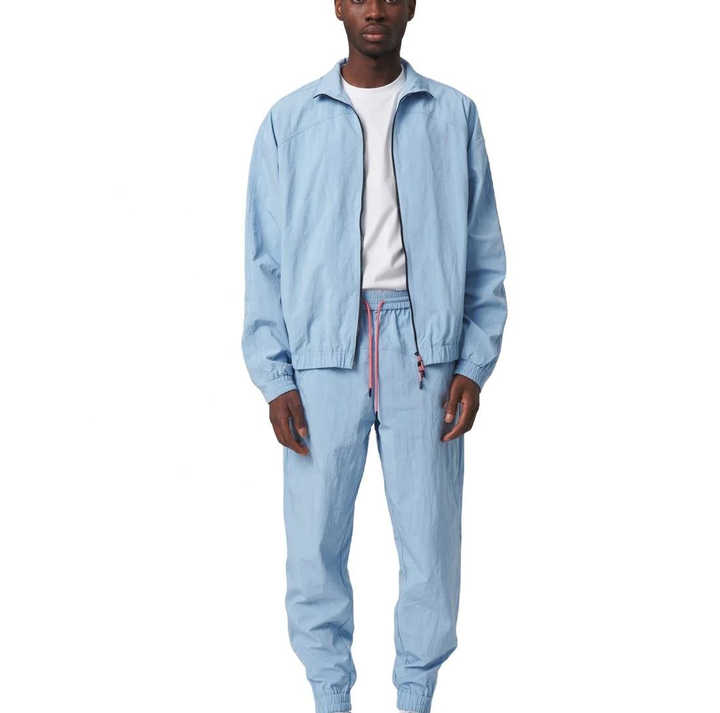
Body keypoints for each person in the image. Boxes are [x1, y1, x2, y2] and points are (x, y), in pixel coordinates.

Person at [242, 2, 507, 712]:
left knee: (430, 542)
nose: (376, 9)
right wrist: (275, 375)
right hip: (321, 350)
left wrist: (472, 364)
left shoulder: (453, 116)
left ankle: (415, 697)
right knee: (314, 543)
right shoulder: (290, 121)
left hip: (425, 351)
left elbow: (484, 251)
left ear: (412, 4)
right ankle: (331, 697)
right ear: (338, 4)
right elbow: (264, 258)